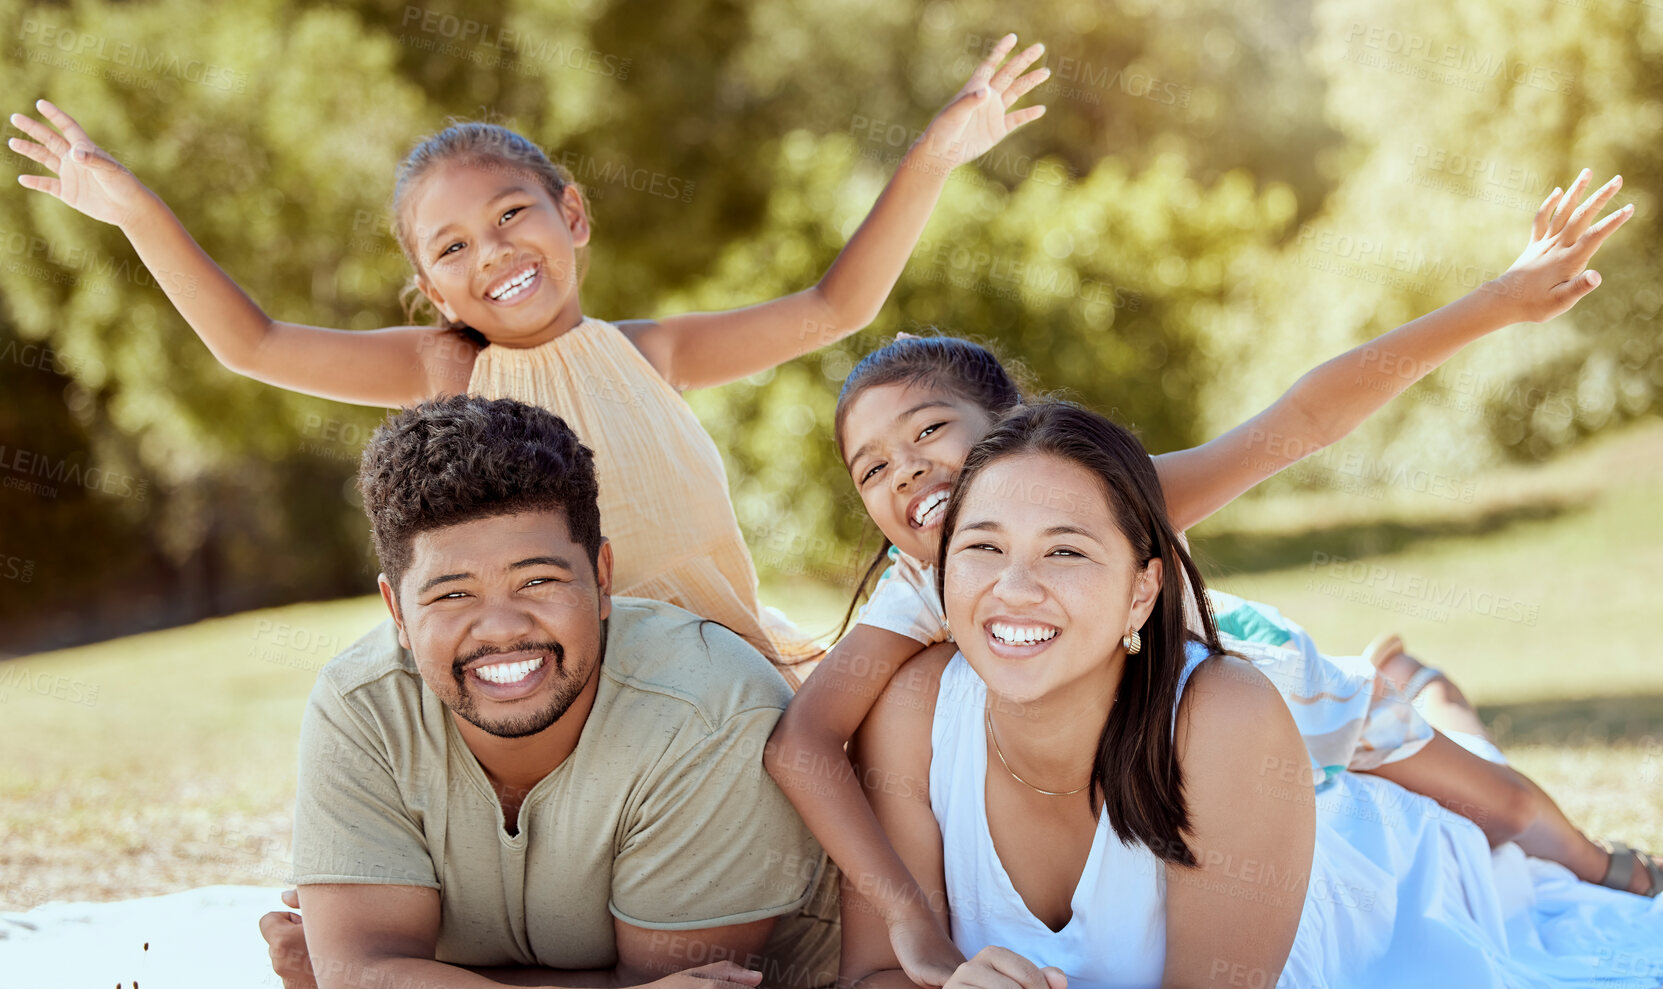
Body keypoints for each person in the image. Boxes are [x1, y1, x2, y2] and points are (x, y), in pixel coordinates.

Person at [767, 170, 1663, 989]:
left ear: (1012, 428)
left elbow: (1300, 422)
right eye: (873, 468)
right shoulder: (918, 590)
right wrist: (906, 918)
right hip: (1145, 715)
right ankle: (1417, 683)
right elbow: (803, 743)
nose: (909, 471)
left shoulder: (1120, 493)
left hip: (1258, 680)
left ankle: (1614, 865)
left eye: (931, 430)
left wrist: (1497, 303)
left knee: (1494, 807)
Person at [6, 33, 1050, 681]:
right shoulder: (441, 369)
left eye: (512, 216)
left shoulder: (651, 351)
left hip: (721, 666)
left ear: (573, 215)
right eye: (452, 248)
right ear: (428, 288)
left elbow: (836, 305)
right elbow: (253, 344)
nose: (493, 253)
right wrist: (132, 210)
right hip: (577, 683)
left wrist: (932, 156)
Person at [839, 401, 1663, 989]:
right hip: (1299, 801)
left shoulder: (1223, 713)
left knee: (1506, 840)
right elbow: (871, 985)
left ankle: (1425, 697)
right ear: (939, 573)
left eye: (1065, 551)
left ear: (1145, 589)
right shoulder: (913, 712)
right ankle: (1408, 688)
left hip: (1394, 874)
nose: (1014, 587)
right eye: (982, 548)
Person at [257, 394, 838, 989]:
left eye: (537, 580)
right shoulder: (361, 705)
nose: (501, 628)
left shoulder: (709, 705)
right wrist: (372, 988)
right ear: (397, 612)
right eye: (452, 594)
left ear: (601, 579)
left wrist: (406, 986)